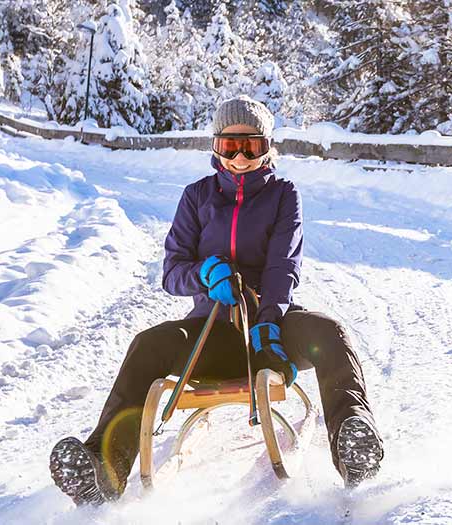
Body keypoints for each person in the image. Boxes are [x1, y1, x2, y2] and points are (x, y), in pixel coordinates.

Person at [48, 96, 384, 506]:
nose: (240, 158)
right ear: (215, 147)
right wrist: (205, 275)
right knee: (148, 344)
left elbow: (283, 267)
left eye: (252, 146)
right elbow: (172, 271)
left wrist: (269, 323)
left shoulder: (283, 195)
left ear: (267, 148)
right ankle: (104, 468)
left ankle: (353, 440)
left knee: (329, 332)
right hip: (214, 332)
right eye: (230, 147)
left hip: (272, 332)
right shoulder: (197, 197)